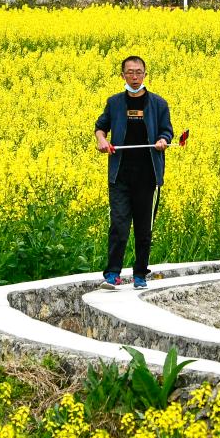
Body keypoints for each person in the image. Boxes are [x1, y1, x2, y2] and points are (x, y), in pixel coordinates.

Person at [94, 55, 173, 289]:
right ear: (123, 75)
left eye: (138, 72)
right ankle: (112, 274)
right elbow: (100, 128)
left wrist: (162, 140)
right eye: (130, 72)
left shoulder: (158, 104)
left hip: (147, 176)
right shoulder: (115, 103)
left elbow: (167, 132)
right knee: (118, 224)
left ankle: (140, 274)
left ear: (145, 74)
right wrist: (101, 141)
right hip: (120, 175)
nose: (134, 76)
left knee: (143, 228)